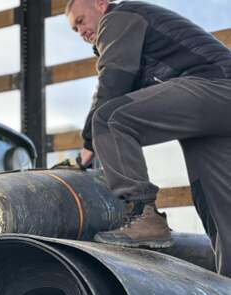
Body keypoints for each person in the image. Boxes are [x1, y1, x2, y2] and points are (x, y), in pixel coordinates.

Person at [65, 0, 231, 275]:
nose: (80, 32)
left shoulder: (119, 17)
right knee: (217, 207)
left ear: (100, 4)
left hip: (214, 86)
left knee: (108, 119)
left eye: (81, 21)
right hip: (216, 109)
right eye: (74, 30)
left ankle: (144, 214)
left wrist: (87, 147)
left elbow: (114, 80)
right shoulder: (136, 36)